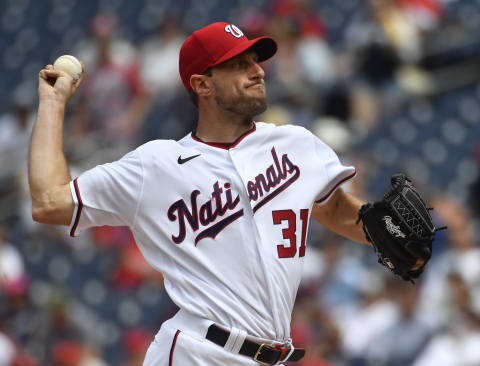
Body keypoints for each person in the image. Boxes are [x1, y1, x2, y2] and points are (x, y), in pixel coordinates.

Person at [30, 22, 372, 366]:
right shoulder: (156, 165)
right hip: (198, 353)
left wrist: (390, 234)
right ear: (202, 84)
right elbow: (49, 202)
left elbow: (335, 209)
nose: (257, 72)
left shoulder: (295, 144)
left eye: (255, 61)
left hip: (272, 355)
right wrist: (52, 103)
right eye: (239, 65)